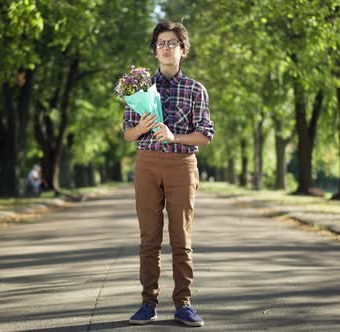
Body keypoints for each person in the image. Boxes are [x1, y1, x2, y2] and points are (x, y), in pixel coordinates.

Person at [122, 21, 215, 327]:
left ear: (183, 50)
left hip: (181, 164)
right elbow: (127, 134)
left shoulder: (195, 90)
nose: (166, 47)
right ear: (154, 50)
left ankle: (184, 304)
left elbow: (205, 135)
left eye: (172, 43)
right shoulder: (138, 89)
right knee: (149, 237)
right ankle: (148, 303)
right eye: (161, 43)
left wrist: (174, 137)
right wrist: (143, 127)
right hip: (147, 164)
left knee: (180, 237)